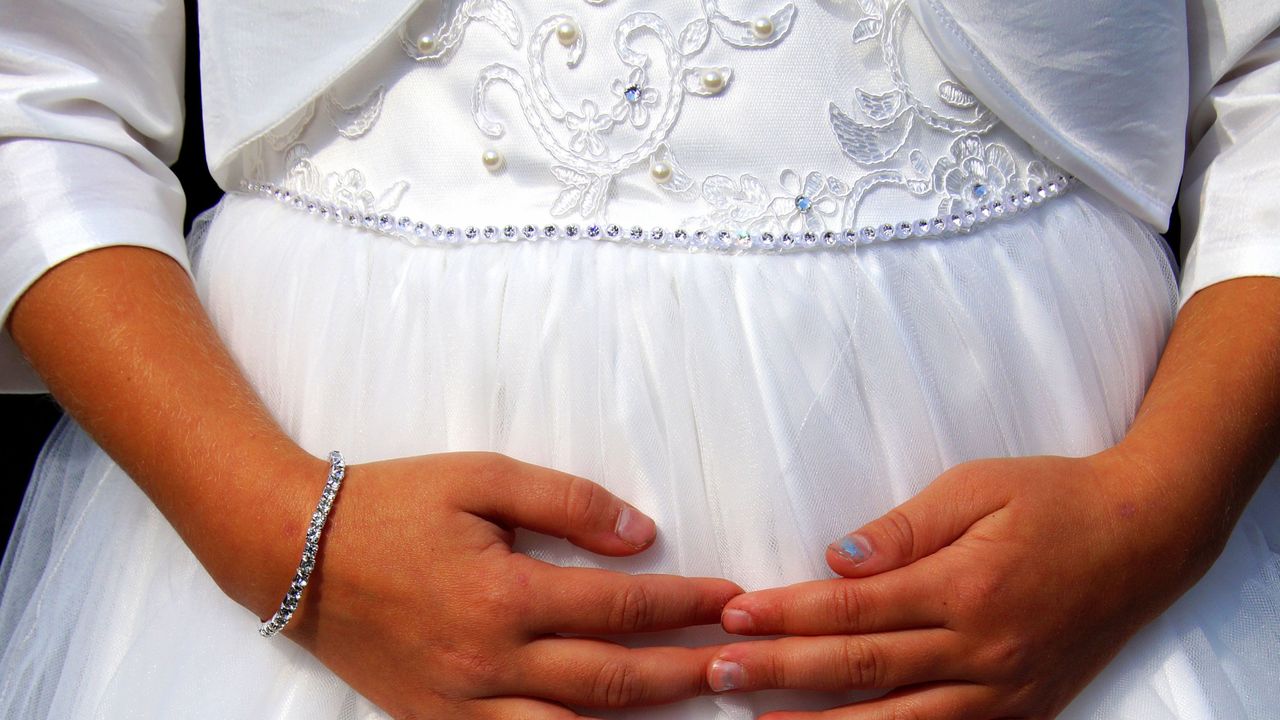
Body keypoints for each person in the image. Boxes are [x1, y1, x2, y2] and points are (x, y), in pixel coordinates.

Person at [1, 0, 1277, 718]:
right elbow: (33, 92)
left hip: (1083, 572)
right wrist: (290, 540)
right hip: (327, 569)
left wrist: (1157, 510)